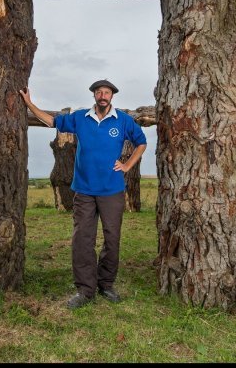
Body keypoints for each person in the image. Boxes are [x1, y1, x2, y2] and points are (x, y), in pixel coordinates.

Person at [19, 79, 147, 309]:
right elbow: (51, 121)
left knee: (112, 238)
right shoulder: (80, 118)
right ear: (94, 96)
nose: (102, 95)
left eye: (106, 92)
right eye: (99, 92)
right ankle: (85, 290)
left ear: (112, 96)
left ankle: (106, 285)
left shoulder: (124, 121)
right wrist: (30, 104)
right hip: (84, 190)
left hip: (112, 191)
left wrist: (127, 165)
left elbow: (141, 142)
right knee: (82, 240)